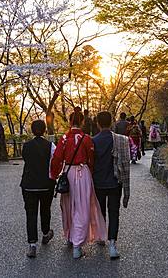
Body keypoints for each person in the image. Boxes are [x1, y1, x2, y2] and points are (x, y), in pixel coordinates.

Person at [50, 110, 106, 259]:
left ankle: (70, 236)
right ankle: (77, 245)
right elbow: (91, 159)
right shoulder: (86, 138)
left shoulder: (63, 138)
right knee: (82, 207)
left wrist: (54, 175)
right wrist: (91, 173)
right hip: (83, 173)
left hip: (68, 173)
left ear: (69, 122)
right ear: (81, 122)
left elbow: (56, 159)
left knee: (68, 206)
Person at [93, 111, 130, 259]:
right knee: (114, 212)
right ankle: (113, 244)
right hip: (115, 182)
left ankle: (101, 237)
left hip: (98, 182)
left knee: (100, 211)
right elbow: (126, 163)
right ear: (112, 122)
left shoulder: (92, 141)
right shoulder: (122, 140)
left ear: (97, 123)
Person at [20, 120, 56, 258]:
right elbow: (54, 163)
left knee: (31, 213)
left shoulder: (26, 146)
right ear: (45, 130)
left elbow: (26, 160)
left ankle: (32, 245)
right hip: (46, 184)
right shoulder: (50, 145)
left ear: (32, 130)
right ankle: (46, 233)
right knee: (45, 209)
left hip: (28, 184)